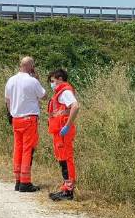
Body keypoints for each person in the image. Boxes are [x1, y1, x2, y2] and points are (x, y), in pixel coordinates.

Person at [5, 56, 46, 192]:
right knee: (28, 149)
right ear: (31, 66)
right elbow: (43, 96)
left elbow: (7, 100)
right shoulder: (32, 81)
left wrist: (10, 114)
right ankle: (25, 182)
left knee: (18, 148)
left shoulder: (11, 80)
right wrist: (37, 79)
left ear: (20, 65)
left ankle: (18, 180)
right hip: (29, 119)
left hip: (16, 118)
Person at [46, 69, 80, 201]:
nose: (52, 84)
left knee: (66, 159)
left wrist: (68, 125)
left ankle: (68, 191)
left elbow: (75, 106)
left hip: (63, 131)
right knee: (62, 159)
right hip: (59, 131)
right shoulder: (60, 92)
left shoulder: (65, 91)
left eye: (53, 81)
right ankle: (65, 188)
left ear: (60, 79)